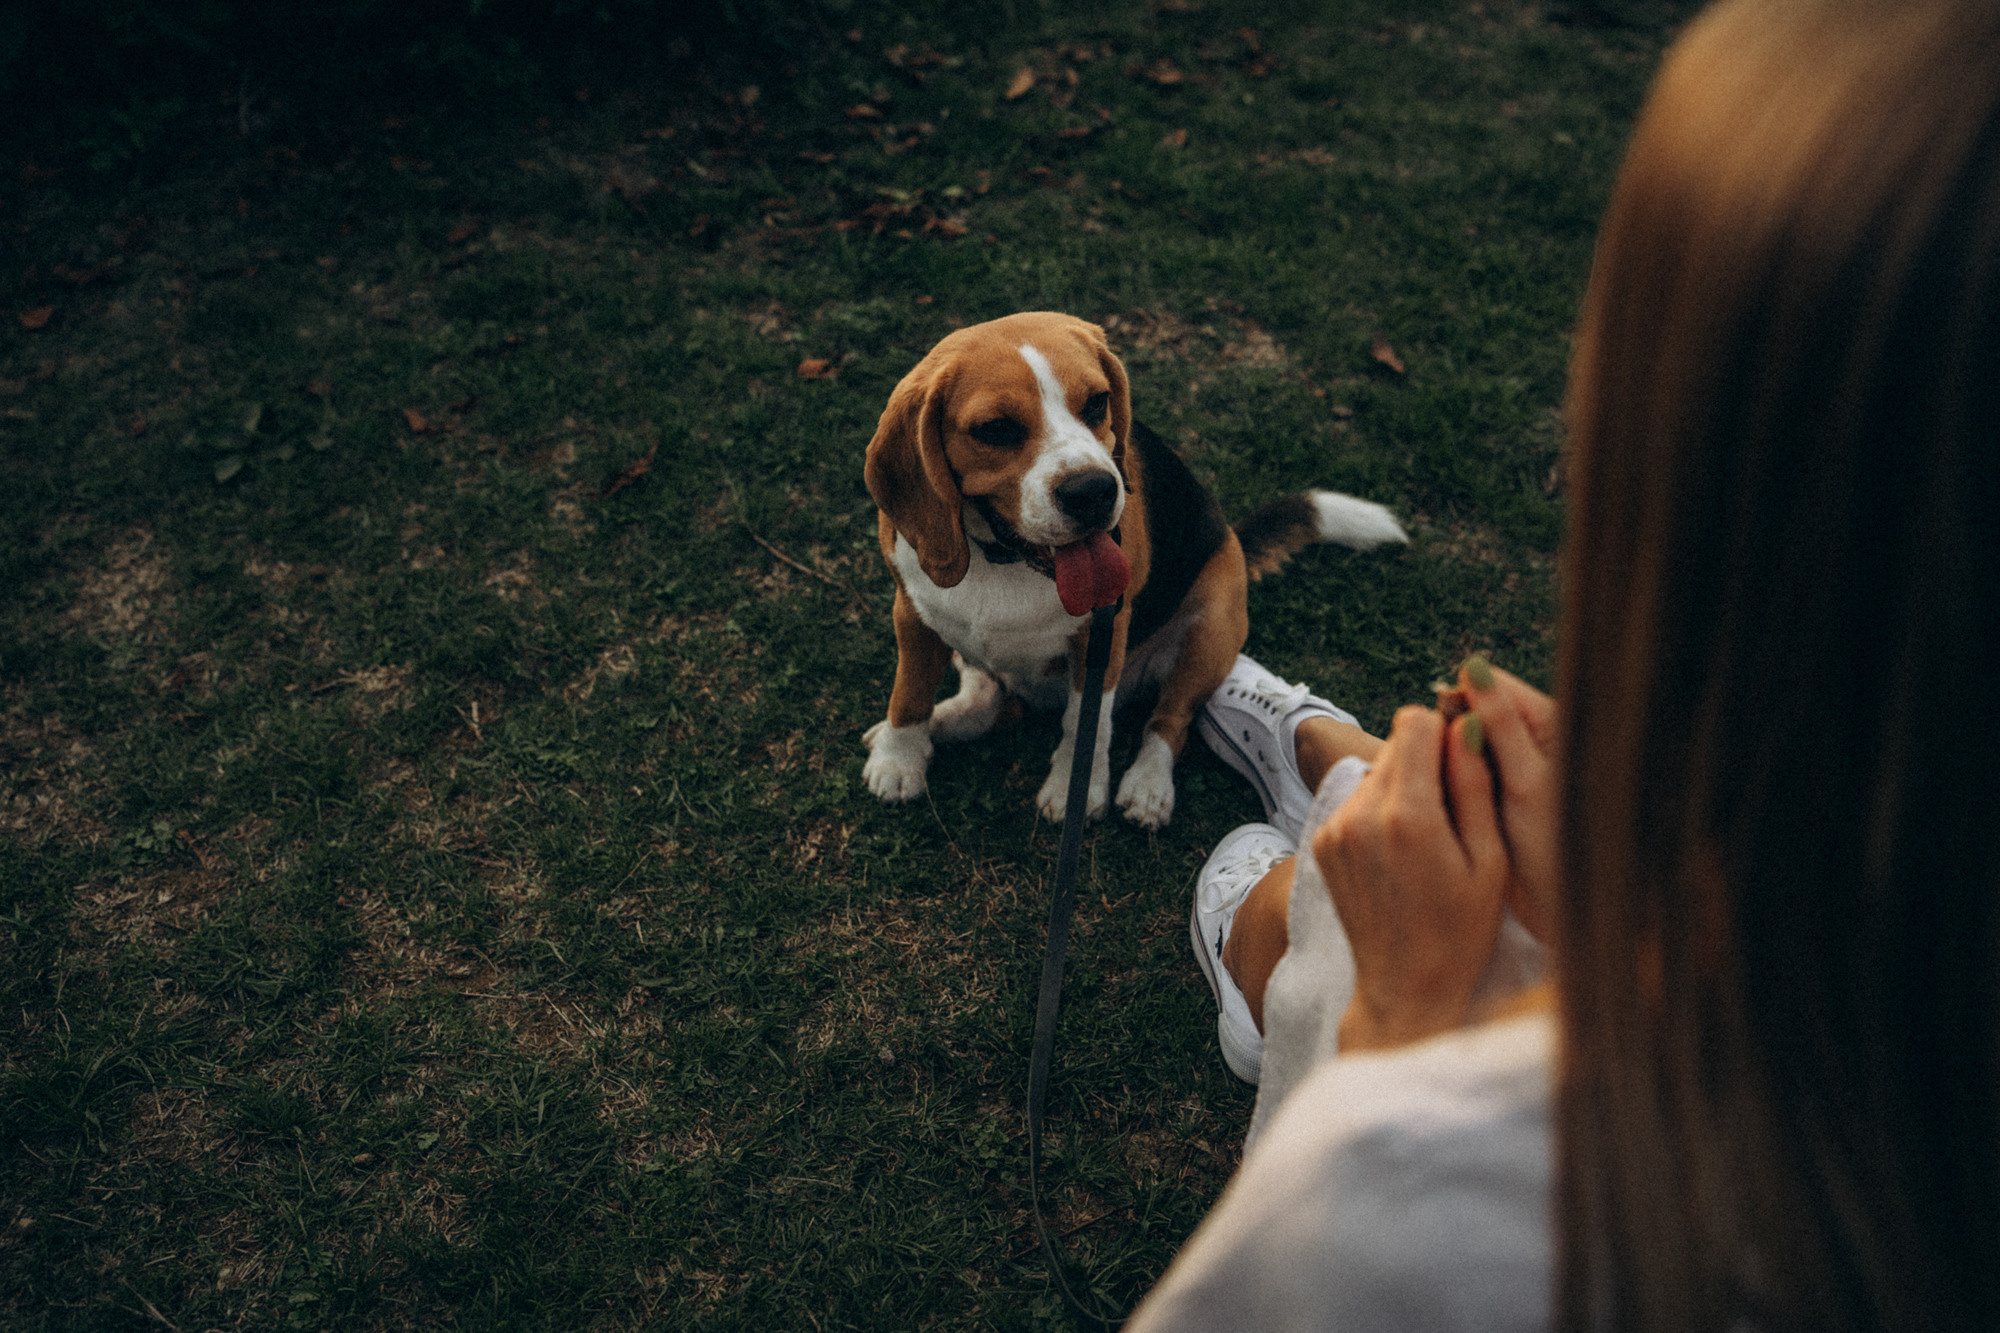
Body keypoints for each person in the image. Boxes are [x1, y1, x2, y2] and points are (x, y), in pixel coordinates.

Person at [1129, 0, 2000, 1327]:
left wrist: (1395, 1046)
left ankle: (1285, 923)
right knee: (1424, 825)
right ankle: (1301, 741)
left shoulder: (1460, 1191)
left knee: (1340, 871)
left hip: (1414, 1063)